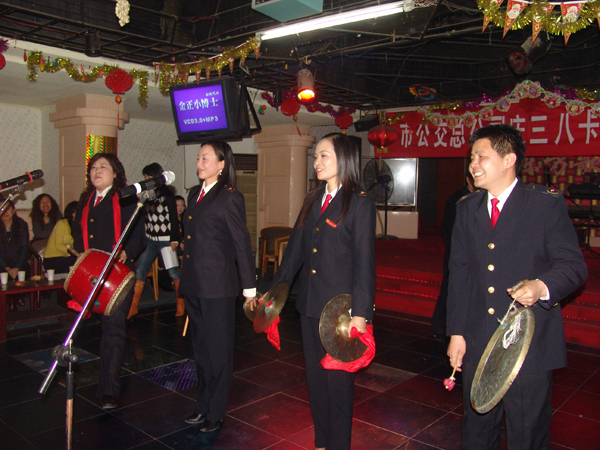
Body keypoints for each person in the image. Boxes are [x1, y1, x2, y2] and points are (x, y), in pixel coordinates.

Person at [446, 124, 588, 450]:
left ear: (509, 159)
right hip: (479, 340)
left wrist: (541, 285)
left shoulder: (543, 204)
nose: (473, 164)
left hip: (528, 343)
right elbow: (460, 275)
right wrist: (457, 332)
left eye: (481, 156)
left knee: (527, 434)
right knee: (477, 431)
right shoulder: (467, 208)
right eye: (472, 157)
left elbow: (573, 266)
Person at [263, 132, 376, 450]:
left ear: (344, 159)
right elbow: (294, 253)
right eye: (316, 156)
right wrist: (275, 294)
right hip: (310, 305)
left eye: (324, 155)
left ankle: (339, 444)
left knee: (338, 383)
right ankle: (322, 440)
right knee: (315, 379)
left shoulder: (359, 202)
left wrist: (361, 314)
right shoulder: (312, 199)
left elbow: (364, 262)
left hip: (341, 313)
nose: (317, 162)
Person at [179, 140, 257, 434]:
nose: (199, 163)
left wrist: (249, 289)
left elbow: (241, 244)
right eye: (198, 158)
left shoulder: (230, 197)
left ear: (222, 164)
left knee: (219, 352)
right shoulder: (193, 194)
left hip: (218, 286)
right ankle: (202, 405)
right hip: (194, 284)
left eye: (205, 158)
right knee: (201, 351)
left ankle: (216, 410)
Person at [71, 153, 145, 410]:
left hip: (118, 274)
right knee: (109, 326)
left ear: (115, 174)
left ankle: (108, 390)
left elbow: (138, 233)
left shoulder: (125, 199)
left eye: (103, 167)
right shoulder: (85, 202)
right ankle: (121, 355)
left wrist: (127, 251)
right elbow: (78, 235)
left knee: (112, 327)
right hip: (93, 275)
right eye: (93, 167)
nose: (97, 171)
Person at [127, 163, 183, 319]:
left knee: (173, 271)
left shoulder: (167, 195)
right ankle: (134, 306)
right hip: (151, 240)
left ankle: (181, 303)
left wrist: (174, 239)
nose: (147, 179)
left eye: (150, 177)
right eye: (145, 177)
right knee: (141, 269)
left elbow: (174, 218)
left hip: (166, 240)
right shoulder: (145, 195)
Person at [431, 172, 474, 337]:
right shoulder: (456, 199)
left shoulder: (481, 198)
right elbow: (448, 230)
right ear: (468, 180)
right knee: (449, 291)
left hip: (473, 256)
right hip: (457, 254)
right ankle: (440, 328)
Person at [0, 196, 30, 311]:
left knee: (23, 272)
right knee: (3, 274)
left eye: (7, 208)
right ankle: (12, 300)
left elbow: (24, 247)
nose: (5, 212)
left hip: (19, 261)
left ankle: (15, 297)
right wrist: (7, 267)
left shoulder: (22, 224)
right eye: (2, 208)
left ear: (13, 211)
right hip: (2, 263)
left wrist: (17, 267)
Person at [43, 201, 79, 274]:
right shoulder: (62, 223)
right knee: (76, 262)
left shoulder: (78, 225)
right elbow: (58, 245)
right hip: (53, 258)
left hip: (67, 257)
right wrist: (75, 254)